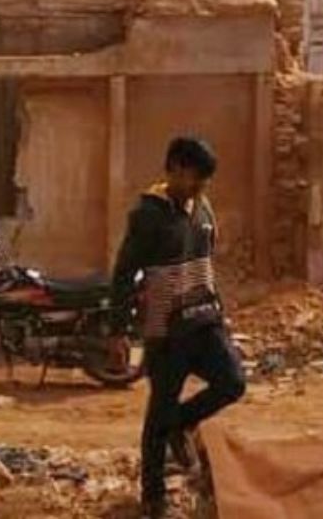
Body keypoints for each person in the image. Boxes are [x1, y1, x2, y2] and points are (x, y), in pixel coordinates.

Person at [114, 135, 245, 517]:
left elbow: (206, 261)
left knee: (232, 382)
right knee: (158, 412)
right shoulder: (148, 214)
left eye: (205, 181)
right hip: (166, 330)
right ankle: (153, 497)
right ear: (173, 169)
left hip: (204, 322)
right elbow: (123, 273)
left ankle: (181, 424)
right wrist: (118, 330)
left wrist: (220, 313)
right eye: (194, 178)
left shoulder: (202, 208)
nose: (200, 186)